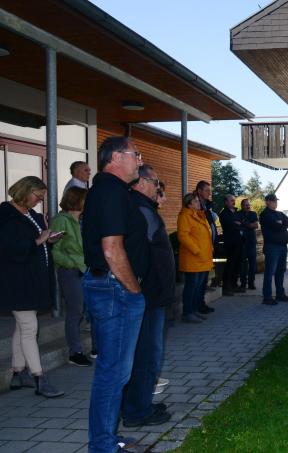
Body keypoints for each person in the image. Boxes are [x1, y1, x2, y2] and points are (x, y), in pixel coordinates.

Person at [82, 136, 149, 452]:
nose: (140, 160)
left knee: (115, 372)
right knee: (113, 373)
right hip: (115, 289)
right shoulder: (110, 190)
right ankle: (103, 445)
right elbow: (111, 249)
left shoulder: (110, 190)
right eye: (136, 154)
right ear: (116, 157)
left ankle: (107, 437)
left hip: (110, 286)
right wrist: (133, 289)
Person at [0, 176, 64, 398]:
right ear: (25, 191)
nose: (40, 201)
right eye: (38, 196)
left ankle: (19, 373)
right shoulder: (6, 215)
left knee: (22, 328)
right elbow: (10, 250)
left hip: (33, 281)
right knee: (29, 328)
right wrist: (39, 240)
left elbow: (36, 244)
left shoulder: (32, 215)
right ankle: (39, 377)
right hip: (17, 283)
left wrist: (49, 240)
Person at [121, 165, 173, 427]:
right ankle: (137, 411)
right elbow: (139, 255)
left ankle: (140, 403)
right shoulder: (139, 209)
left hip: (152, 294)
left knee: (147, 353)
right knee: (147, 354)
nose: (158, 189)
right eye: (156, 183)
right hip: (148, 296)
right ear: (141, 182)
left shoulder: (143, 208)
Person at [51, 186, 92, 367]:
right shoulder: (61, 220)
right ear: (77, 200)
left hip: (87, 270)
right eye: (85, 199)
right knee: (75, 312)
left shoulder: (83, 219)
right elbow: (55, 250)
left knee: (88, 311)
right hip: (71, 272)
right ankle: (75, 352)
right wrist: (72, 263)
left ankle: (94, 349)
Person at [177, 193, 213, 323]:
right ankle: (187, 313)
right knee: (191, 286)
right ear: (189, 204)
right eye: (196, 201)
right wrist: (196, 250)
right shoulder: (185, 216)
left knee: (198, 286)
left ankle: (194, 310)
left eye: (198, 201)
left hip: (203, 257)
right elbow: (183, 236)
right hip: (193, 258)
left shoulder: (199, 215)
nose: (199, 203)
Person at [260, 193, 288, 304]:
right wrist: (281, 224)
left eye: (276, 201)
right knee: (270, 272)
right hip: (272, 247)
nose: (276, 203)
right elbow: (275, 226)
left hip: (282, 246)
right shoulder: (265, 214)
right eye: (273, 201)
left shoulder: (279, 214)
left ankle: (280, 294)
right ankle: (267, 297)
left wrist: (281, 223)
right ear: (267, 202)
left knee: (280, 271)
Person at [194, 181, 217, 312]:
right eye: (207, 190)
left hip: (208, 247)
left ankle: (201, 304)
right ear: (199, 191)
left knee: (203, 279)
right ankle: (195, 306)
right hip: (199, 249)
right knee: (197, 281)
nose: (210, 193)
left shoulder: (208, 205)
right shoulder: (194, 205)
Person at [219, 194, 245, 296]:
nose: (234, 202)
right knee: (230, 265)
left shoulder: (237, 212)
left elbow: (242, 223)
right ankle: (226, 287)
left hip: (239, 242)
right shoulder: (224, 213)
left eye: (234, 200)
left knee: (237, 265)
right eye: (231, 200)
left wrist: (239, 223)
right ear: (226, 202)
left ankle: (234, 285)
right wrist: (238, 224)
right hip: (230, 243)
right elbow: (231, 225)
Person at [236, 199, 259, 290]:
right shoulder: (238, 214)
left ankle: (251, 283)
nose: (248, 206)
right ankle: (243, 283)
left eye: (249, 205)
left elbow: (256, 225)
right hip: (242, 242)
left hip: (251, 242)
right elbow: (237, 225)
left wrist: (242, 223)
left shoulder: (253, 214)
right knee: (242, 264)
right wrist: (250, 225)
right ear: (242, 206)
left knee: (252, 264)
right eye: (246, 205)